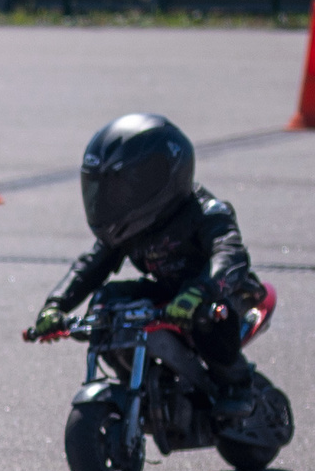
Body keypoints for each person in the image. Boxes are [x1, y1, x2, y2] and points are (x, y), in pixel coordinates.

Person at [25, 114, 267, 416]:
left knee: (209, 316)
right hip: (167, 293)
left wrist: (202, 290)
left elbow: (229, 254)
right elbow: (90, 266)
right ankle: (138, 381)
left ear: (158, 181)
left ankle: (237, 384)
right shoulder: (126, 227)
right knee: (107, 302)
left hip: (219, 292)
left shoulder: (206, 211)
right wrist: (56, 305)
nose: (110, 200)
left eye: (121, 190)